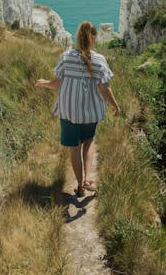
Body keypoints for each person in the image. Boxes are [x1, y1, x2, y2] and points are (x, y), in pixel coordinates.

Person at [36, 20, 120, 197]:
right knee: (88, 141)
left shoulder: (66, 57)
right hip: (91, 112)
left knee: (74, 148)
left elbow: (57, 83)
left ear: (78, 37)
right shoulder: (100, 60)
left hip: (69, 112)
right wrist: (115, 106)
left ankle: (80, 186)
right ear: (94, 38)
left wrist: (44, 83)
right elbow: (105, 88)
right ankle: (88, 179)